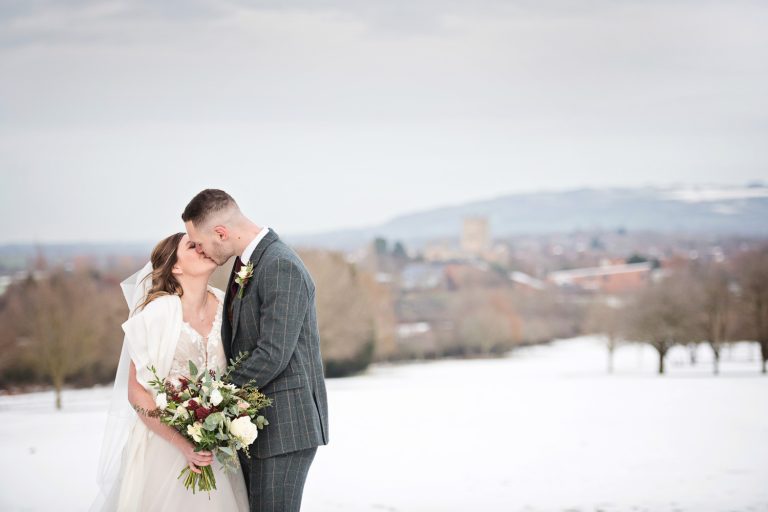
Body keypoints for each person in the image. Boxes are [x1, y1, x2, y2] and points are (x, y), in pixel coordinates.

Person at [183, 189, 329, 512]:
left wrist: (215, 394)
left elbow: (272, 353)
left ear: (220, 233)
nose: (199, 250)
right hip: (258, 427)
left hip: (285, 428)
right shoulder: (246, 263)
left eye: (199, 243)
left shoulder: (280, 266)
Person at [91, 232, 249, 511]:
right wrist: (183, 444)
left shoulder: (227, 305)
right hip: (167, 452)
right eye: (192, 246)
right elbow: (135, 391)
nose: (203, 248)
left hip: (218, 453)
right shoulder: (157, 314)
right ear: (175, 267)